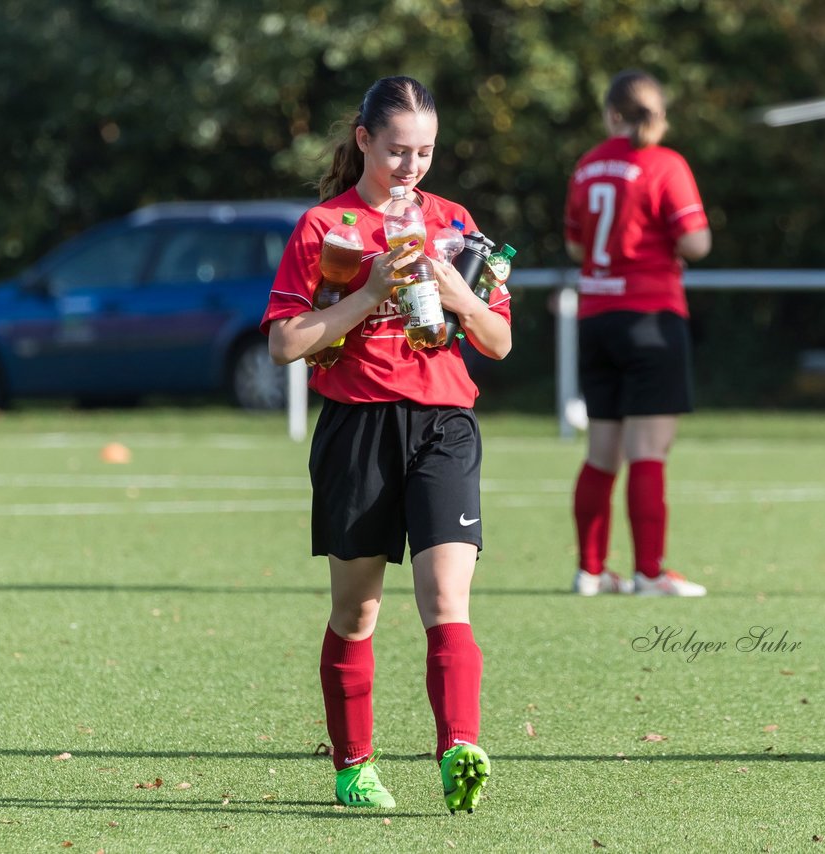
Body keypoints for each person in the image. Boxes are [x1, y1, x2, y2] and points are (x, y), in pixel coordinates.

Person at [261, 76, 512, 812]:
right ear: (364, 139)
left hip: (444, 424)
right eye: (398, 150)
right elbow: (284, 345)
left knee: (446, 597)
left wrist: (457, 291)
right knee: (359, 612)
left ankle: (459, 747)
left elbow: (496, 340)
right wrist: (370, 292)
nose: (411, 167)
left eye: (425, 153)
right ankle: (354, 765)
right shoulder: (324, 228)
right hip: (359, 427)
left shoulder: (457, 223)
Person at [564, 70, 712, 598]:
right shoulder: (665, 164)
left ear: (610, 114)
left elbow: (578, 249)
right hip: (651, 317)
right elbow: (696, 244)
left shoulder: (586, 166)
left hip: (596, 318)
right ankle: (649, 572)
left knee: (602, 450)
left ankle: (590, 570)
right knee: (648, 450)